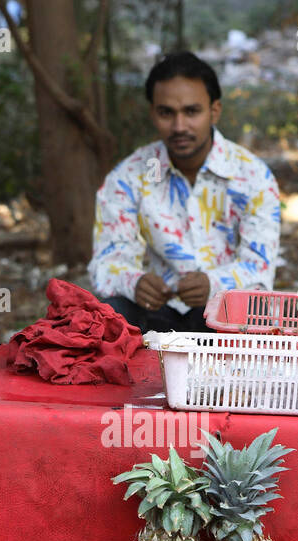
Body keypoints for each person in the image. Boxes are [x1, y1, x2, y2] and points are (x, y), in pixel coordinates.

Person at [89, 52, 281, 333]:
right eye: (167, 113)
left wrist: (213, 285)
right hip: (155, 315)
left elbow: (260, 269)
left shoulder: (252, 176)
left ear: (214, 111)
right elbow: (105, 263)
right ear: (153, 112)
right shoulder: (129, 176)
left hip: (224, 315)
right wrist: (135, 282)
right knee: (110, 313)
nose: (179, 127)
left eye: (191, 111)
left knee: (254, 311)